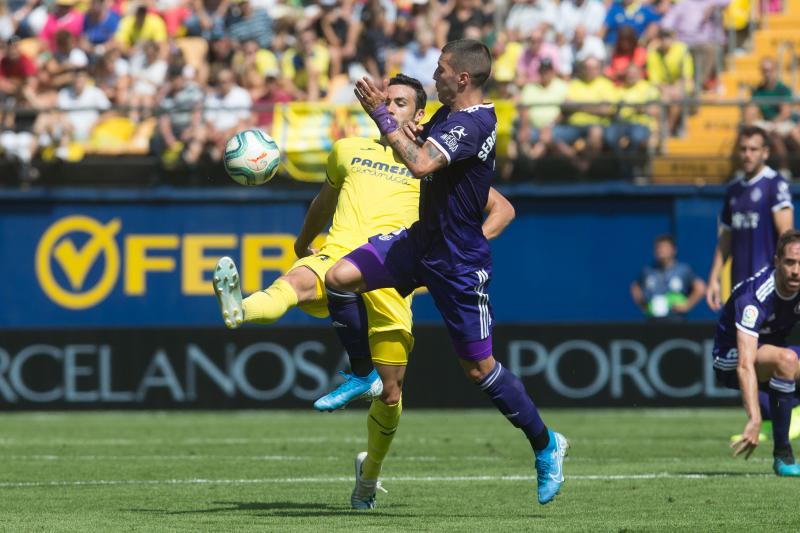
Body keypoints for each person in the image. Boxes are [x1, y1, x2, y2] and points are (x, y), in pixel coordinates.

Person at [212, 74, 516, 509]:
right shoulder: (348, 150)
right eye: (386, 101)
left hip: (391, 273)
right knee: (293, 284)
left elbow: (502, 209)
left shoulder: (431, 160)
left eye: (400, 102)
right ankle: (239, 308)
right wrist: (302, 244)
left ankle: (369, 475)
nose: (389, 108)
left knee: (391, 394)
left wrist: (455, 260)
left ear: (420, 113)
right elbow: (323, 202)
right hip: (340, 257)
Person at [321, 39, 568, 506]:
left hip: (457, 263)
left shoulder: (472, 123)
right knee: (339, 278)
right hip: (422, 243)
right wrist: (401, 128)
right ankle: (363, 374)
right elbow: (412, 150)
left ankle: (546, 444)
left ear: (461, 78)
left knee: (479, 369)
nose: (431, 76)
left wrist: (382, 116)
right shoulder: (450, 117)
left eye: (438, 70)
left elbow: (417, 165)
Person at [706, 125, 796, 443]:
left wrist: (784, 280)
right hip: (742, 293)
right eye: (743, 149)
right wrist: (715, 276)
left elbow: (787, 237)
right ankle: (773, 420)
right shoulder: (733, 190)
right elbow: (726, 237)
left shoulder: (775, 185)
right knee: (752, 360)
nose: (747, 155)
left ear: (765, 152)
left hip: (769, 293)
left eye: (753, 149)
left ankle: (783, 416)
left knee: (772, 357)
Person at [713, 230, 800, 476]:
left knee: (786, 360)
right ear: (777, 262)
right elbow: (744, 363)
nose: (796, 271)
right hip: (731, 359)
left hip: (770, 351)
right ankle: (783, 455)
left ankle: (786, 410)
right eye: (790, 262)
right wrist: (754, 418)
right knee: (787, 360)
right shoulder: (755, 296)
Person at [631, 234, 706, 320]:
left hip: (676, 320)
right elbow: (635, 287)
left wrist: (687, 305)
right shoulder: (647, 270)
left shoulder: (683, 270)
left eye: (664, 248)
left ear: (673, 250)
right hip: (653, 321)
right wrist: (644, 306)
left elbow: (700, 288)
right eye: (658, 248)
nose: (660, 251)